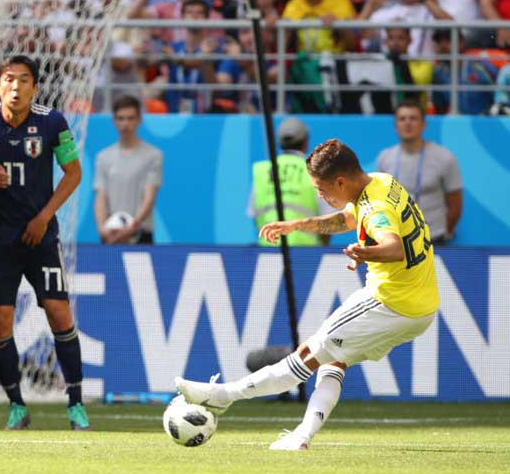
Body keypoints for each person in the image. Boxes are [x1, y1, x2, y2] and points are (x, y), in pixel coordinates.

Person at [176, 138, 439, 450]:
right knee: (333, 361)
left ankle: (225, 396)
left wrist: (365, 252)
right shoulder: (381, 182)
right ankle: (301, 436)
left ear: (340, 181)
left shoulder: (375, 207)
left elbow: (393, 247)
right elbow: (346, 220)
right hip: (419, 304)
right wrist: (296, 225)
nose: (319, 195)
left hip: (390, 303)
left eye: (321, 188)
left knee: (308, 355)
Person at [0, 55, 89, 431]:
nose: (16, 87)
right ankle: (17, 405)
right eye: (9, 79)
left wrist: (43, 217)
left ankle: (75, 403)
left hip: (40, 236)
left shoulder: (52, 122)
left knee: (59, 312)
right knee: (0, 321)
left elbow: (73, 174)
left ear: (35, 88)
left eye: (24, 80)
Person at [375, 101, 462, 244]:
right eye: (402, 119)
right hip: (397, 241)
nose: (407, 123)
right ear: (396, 125)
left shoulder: (445, 157)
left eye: (413, 118)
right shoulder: (385, 158)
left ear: (423, 124)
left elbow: (455, 206)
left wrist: (440, 232)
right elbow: (379, 202)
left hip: (433, 239)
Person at [94, 95, 163, 244]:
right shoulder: (103, 157)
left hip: (140, 233)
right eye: (121, 118)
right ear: (114, 120)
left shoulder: (153, 155)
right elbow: (101, 197)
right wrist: (101, 228)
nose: (125, 123)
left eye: (131, 118)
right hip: (111, 233)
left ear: (139, 120)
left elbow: (149, 198)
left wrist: (132, 227)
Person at [249, 117, 326, 246]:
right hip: (308, 252)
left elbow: (255, 215)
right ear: (305, 142)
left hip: (267, 249)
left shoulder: (263, 170)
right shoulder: (313, 169)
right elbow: (327, 220)